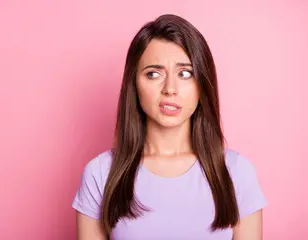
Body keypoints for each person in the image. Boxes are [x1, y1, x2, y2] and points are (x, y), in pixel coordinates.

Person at [72, 14, 268, 240]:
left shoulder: (236, 172)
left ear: (202, 84)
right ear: (134, 83)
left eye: (185, 74)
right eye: (153, 74)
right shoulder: (100, 174)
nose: (170, 89)